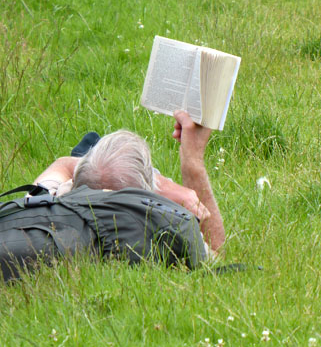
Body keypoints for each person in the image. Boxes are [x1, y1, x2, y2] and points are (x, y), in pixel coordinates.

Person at [32, 110, 225, 256]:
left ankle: (92, 151)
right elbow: (216, 250)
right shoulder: (156, 236)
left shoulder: (45, 201)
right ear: (146, 197)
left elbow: (62, 164)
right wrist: (192, 164)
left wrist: (99, 170)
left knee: (90, 149)